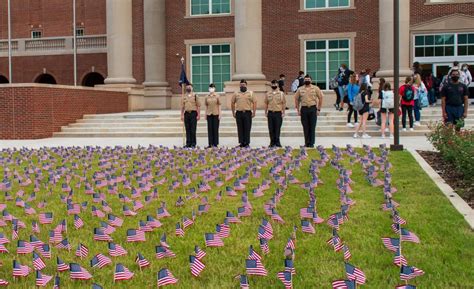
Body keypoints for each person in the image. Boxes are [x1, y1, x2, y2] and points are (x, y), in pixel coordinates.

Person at [294, 74, 323, 148]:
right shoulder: (300, 89)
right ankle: (307, 142)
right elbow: (296, 99)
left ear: (311, 80)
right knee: (305, 127)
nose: (307, 81)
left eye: (308, 79)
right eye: (306, 79)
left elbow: (321, 98)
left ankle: (311, 143)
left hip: (313, 109)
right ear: (304, 80)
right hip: (304, 109)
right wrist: (298, 109)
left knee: (312, 126)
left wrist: (318, 109)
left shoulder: (315, 88)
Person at [231, 79, 257, 148]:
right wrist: (233, 112)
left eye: (244, 85)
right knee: (240, 128)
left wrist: (254, 112)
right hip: (239, 113)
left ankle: (247, 143)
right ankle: (241, 142)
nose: (242, 86)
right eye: (241, 85)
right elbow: (232, 103)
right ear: (239, 85)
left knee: (247, 128)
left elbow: (254, 102)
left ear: (246, 85)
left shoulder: (250, 93)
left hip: (247, 113)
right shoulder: (236, 93)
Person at [265, 80, 286, 147]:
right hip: (270, 113)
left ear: (277, 85)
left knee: (277, 128)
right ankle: (272, 142)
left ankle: (277, 142)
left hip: (278, 113)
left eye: (275, 84)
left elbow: (284, 103)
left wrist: (283, 112)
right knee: (271, 128)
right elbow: (266, 103)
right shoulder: (268, 94)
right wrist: (265, 112)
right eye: (273, 84)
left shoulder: (281, 94)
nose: (274, 85)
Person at [181, 83, 200, 148]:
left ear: (192, 88)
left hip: (193, 113)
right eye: (187, 87)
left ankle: (193, 143)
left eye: (190, 87)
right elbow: (182, 106)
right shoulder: (184, 96)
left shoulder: (195, 96)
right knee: (187, 129)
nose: (188, 88)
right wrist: (182, 115)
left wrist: (198, 115)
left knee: (193, 129)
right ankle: (188, 143)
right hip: (186, 113)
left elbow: (198, 106)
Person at [205, 83, 221, 148]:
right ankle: (210, 143)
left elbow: (219, 105)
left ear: (214, 88)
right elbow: (206, 105)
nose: (211, 89)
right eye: (210, 87)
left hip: (216, 113)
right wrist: (205, 114)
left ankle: (215, 144)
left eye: (213, 87)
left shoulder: (217, 96)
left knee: (215, 129)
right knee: (210, 129)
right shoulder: (206, 96)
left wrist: (220, 114)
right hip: (209, 114)